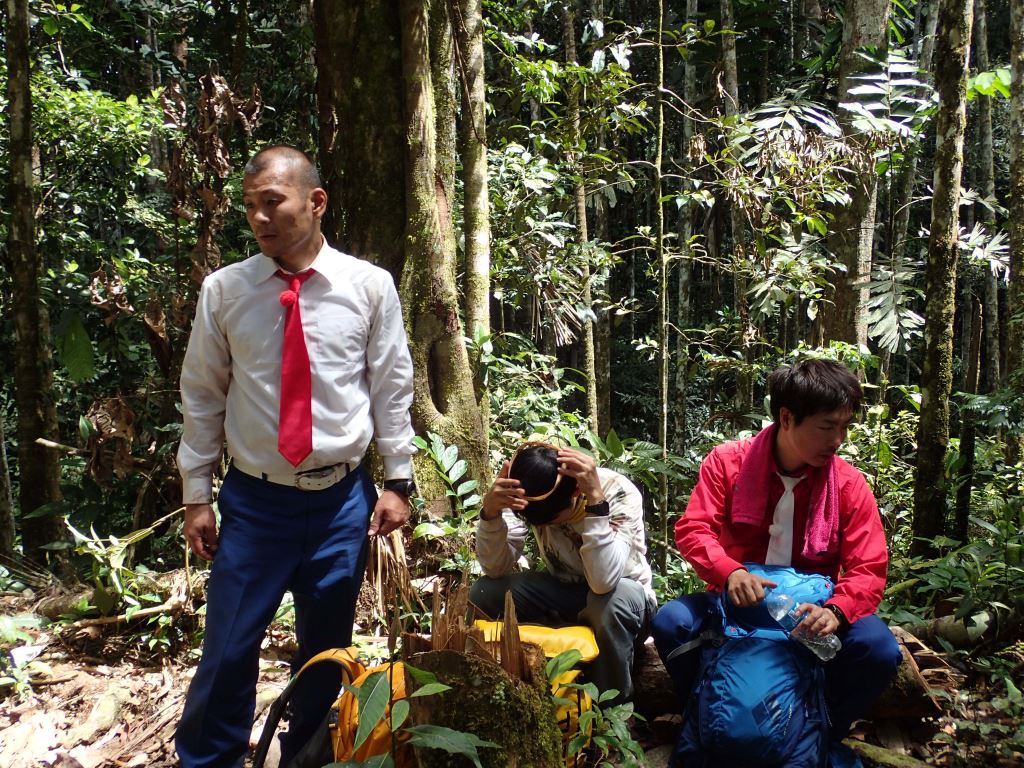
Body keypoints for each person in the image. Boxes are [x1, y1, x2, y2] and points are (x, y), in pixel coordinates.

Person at [175, 145, 416, 768]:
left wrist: (399, 480)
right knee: (228, 648)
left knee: (323, 653)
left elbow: (391, 386)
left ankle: (307, 757)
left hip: (341, 499)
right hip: (255, 501)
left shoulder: (368, 287)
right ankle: (210, 760)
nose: (259, 218)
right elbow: (203, 394)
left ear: (315, 202)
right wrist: (196, 494)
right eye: (251, 206)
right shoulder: (226, 291)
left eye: (272, 202)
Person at [651, 359, 902, 758]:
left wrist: (837, 610)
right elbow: (694, 529)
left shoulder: (849, 485)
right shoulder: (727, 462)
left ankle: (818, 732)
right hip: (734, 606)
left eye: (844, 427)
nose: (838, 439)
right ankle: (707, 717)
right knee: (671, 622)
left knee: (878, 649)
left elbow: (868, 566)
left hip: (810, 611)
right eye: (827, 426)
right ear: (786, 418)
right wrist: (729, 571)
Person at [470, 442, 656, 702]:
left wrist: (596, 504)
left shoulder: (616, 490)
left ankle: (609, 713)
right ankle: (495, 695)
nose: (544, 527)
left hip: (623, 601)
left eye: (551, 520)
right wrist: (491, 513)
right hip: (565, 594)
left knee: (607, 602)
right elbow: (494, 567)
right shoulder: (527, 491)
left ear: (576, 491)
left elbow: (603, 583)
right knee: (484, 593)